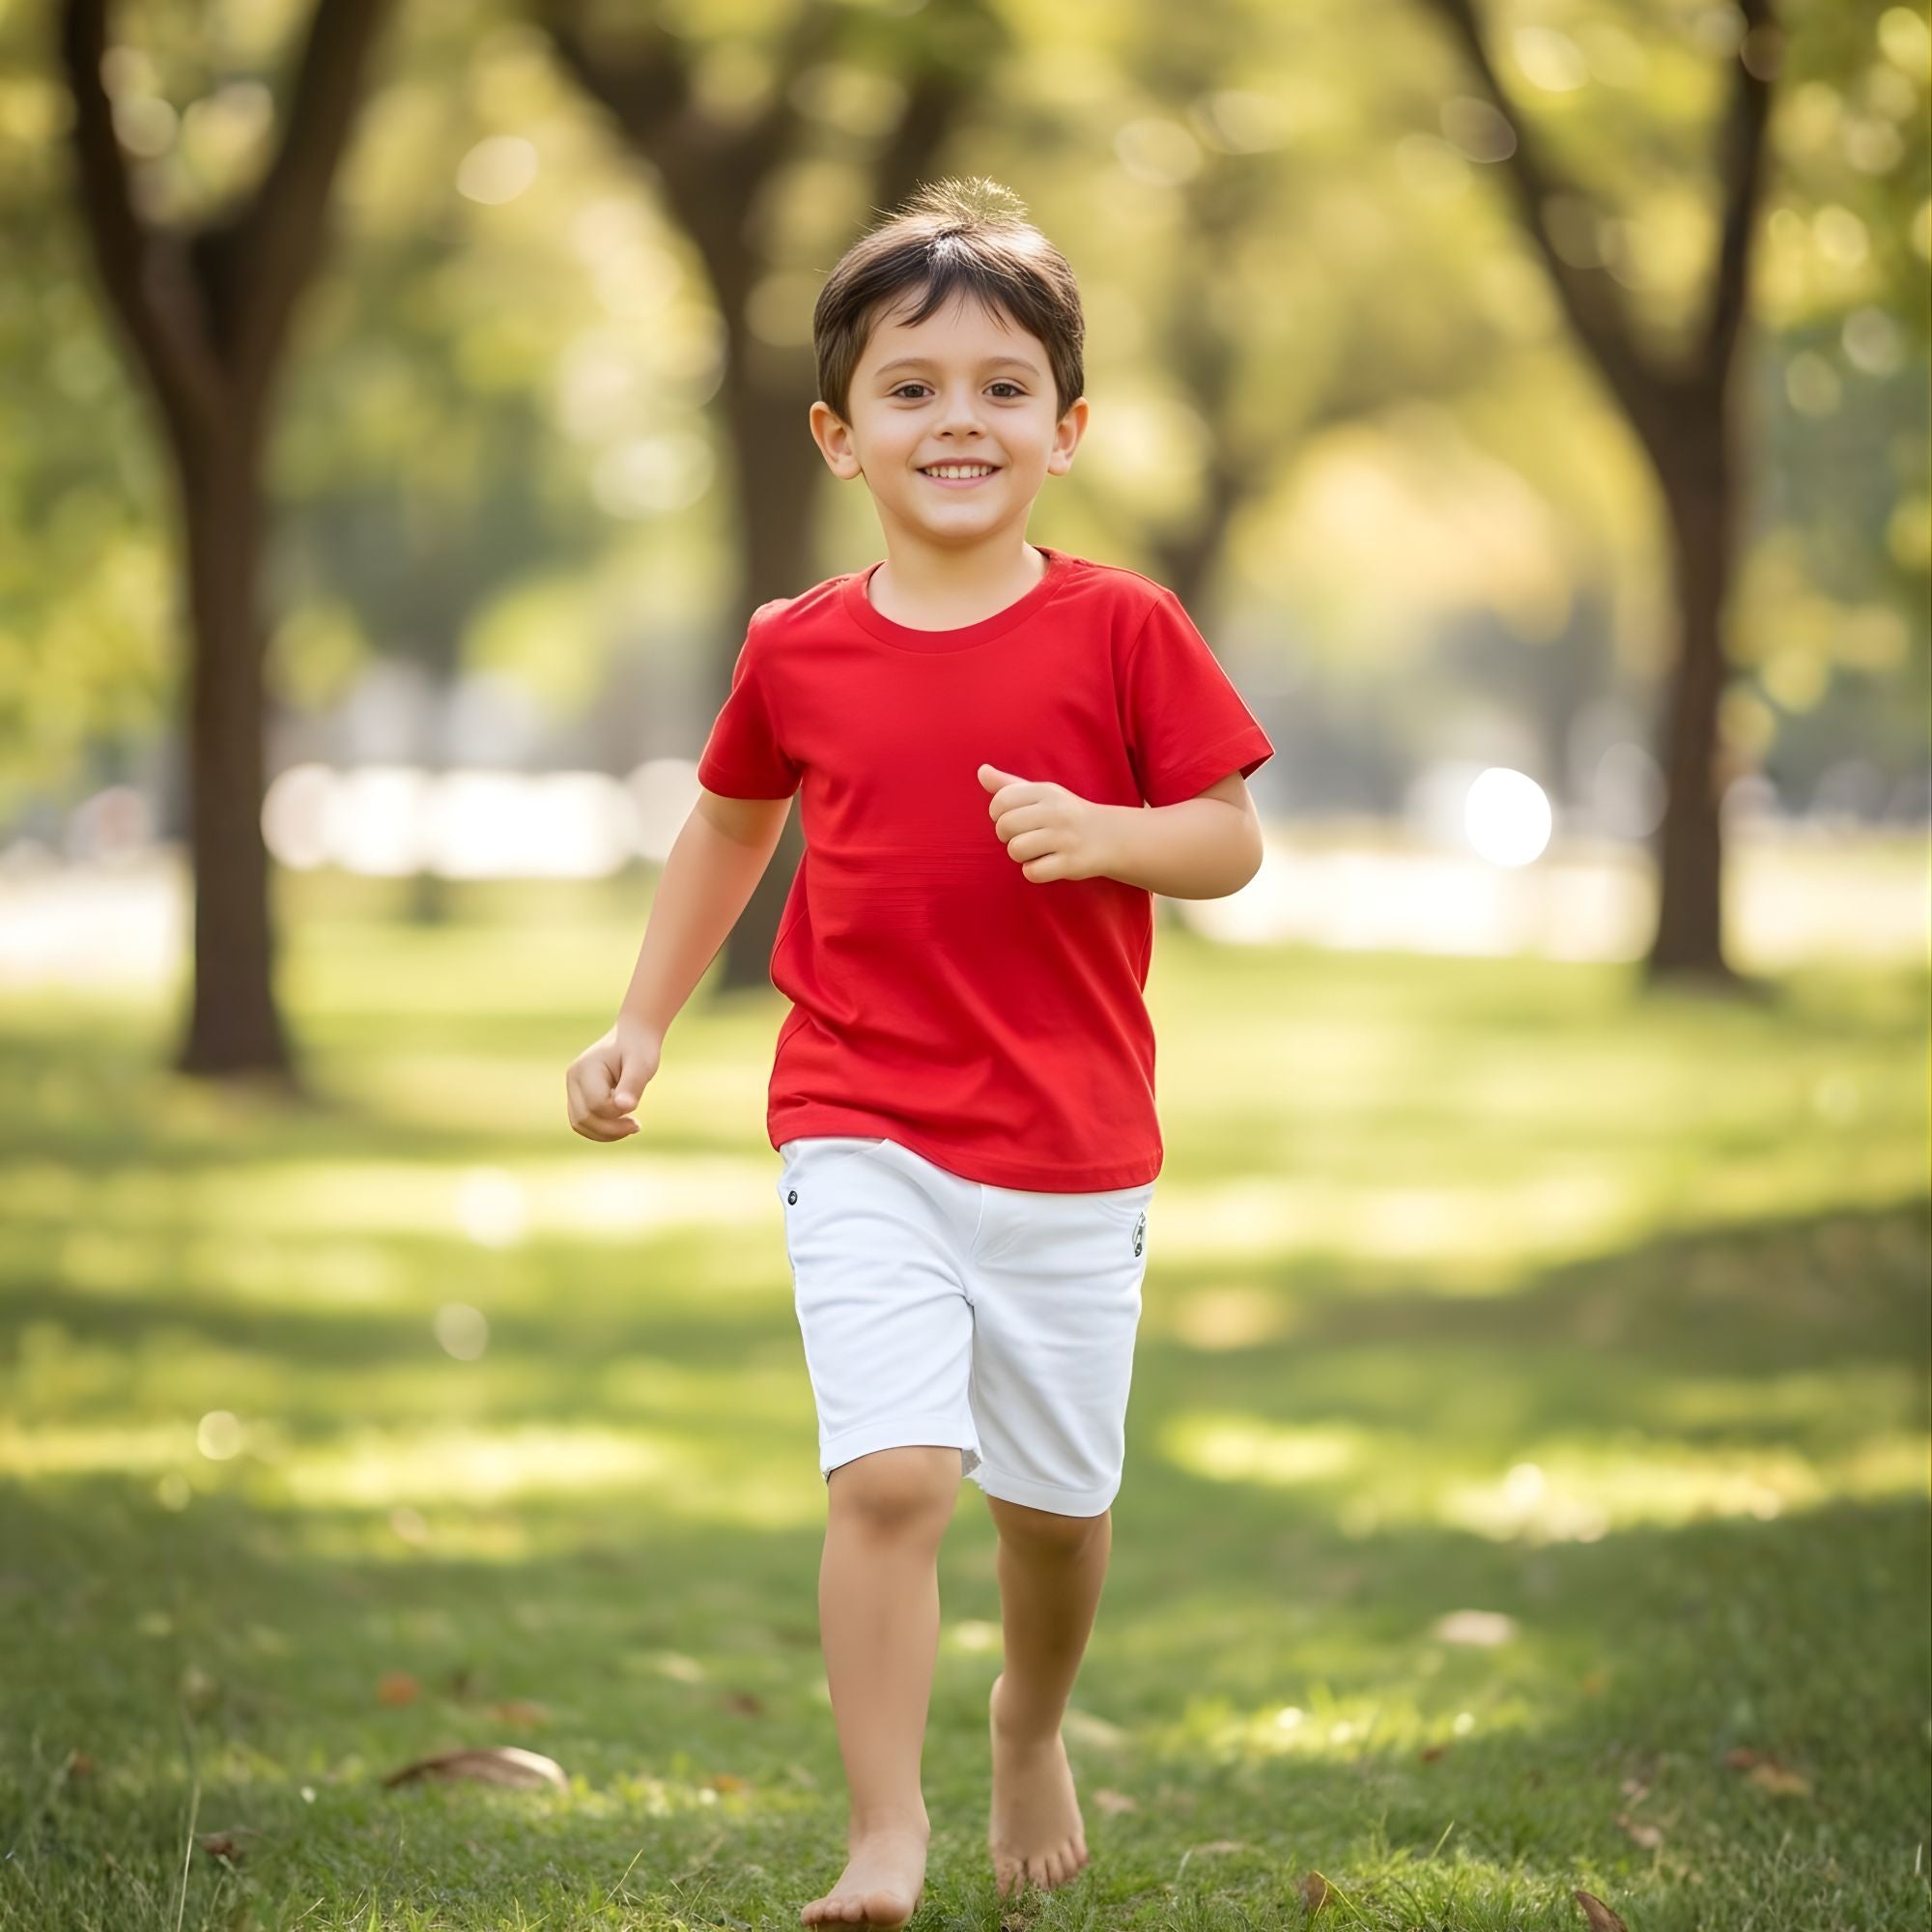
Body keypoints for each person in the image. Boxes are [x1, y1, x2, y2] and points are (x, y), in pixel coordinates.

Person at [565, 176, 1274, 1928]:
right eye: (912, 386)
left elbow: (1229, 834)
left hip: (1071, 1144)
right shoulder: (794, 648)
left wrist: (1113, 835)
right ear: (837, 434)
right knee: (891, 1475)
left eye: (1003, 386)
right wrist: (642, 1019)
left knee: (1052, 1510)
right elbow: (728, 831)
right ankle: (886, 1835)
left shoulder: (1123, 630)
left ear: (1068, 426)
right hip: (859, 1116)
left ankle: (1030, 1718)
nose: (959, 417)